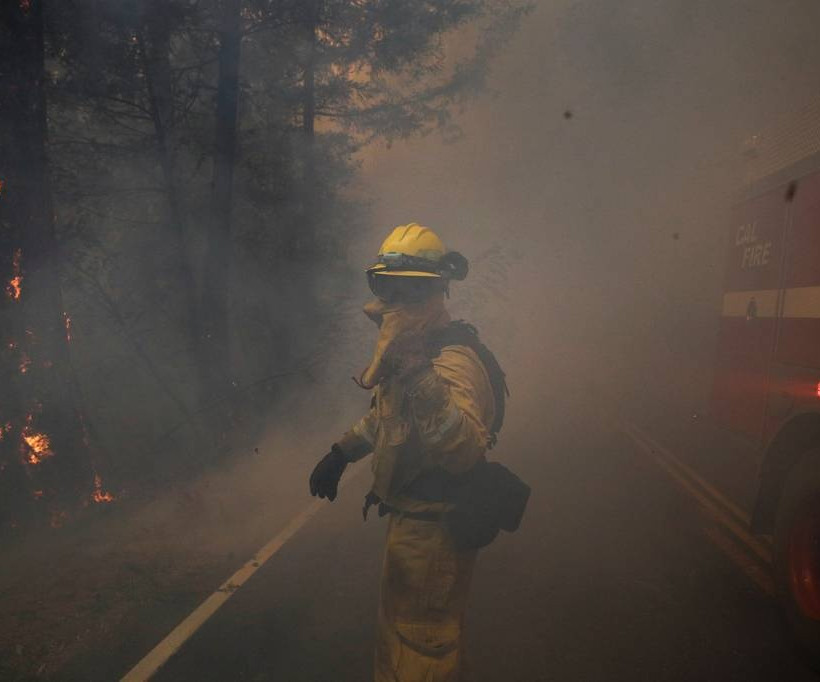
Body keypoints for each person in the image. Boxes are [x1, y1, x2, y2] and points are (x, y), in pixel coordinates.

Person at [309, 223, 505, 682]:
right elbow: (387, 417)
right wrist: (342, 451)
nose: (394, 301)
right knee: (402, 642)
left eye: (409, 289)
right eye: (386, 286)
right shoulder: (413, 352)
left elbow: (463, 451)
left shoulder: (451, 360)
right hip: (411, 523)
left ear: (437, 291)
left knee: (421, 651)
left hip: (436, 530)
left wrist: (421, 374)